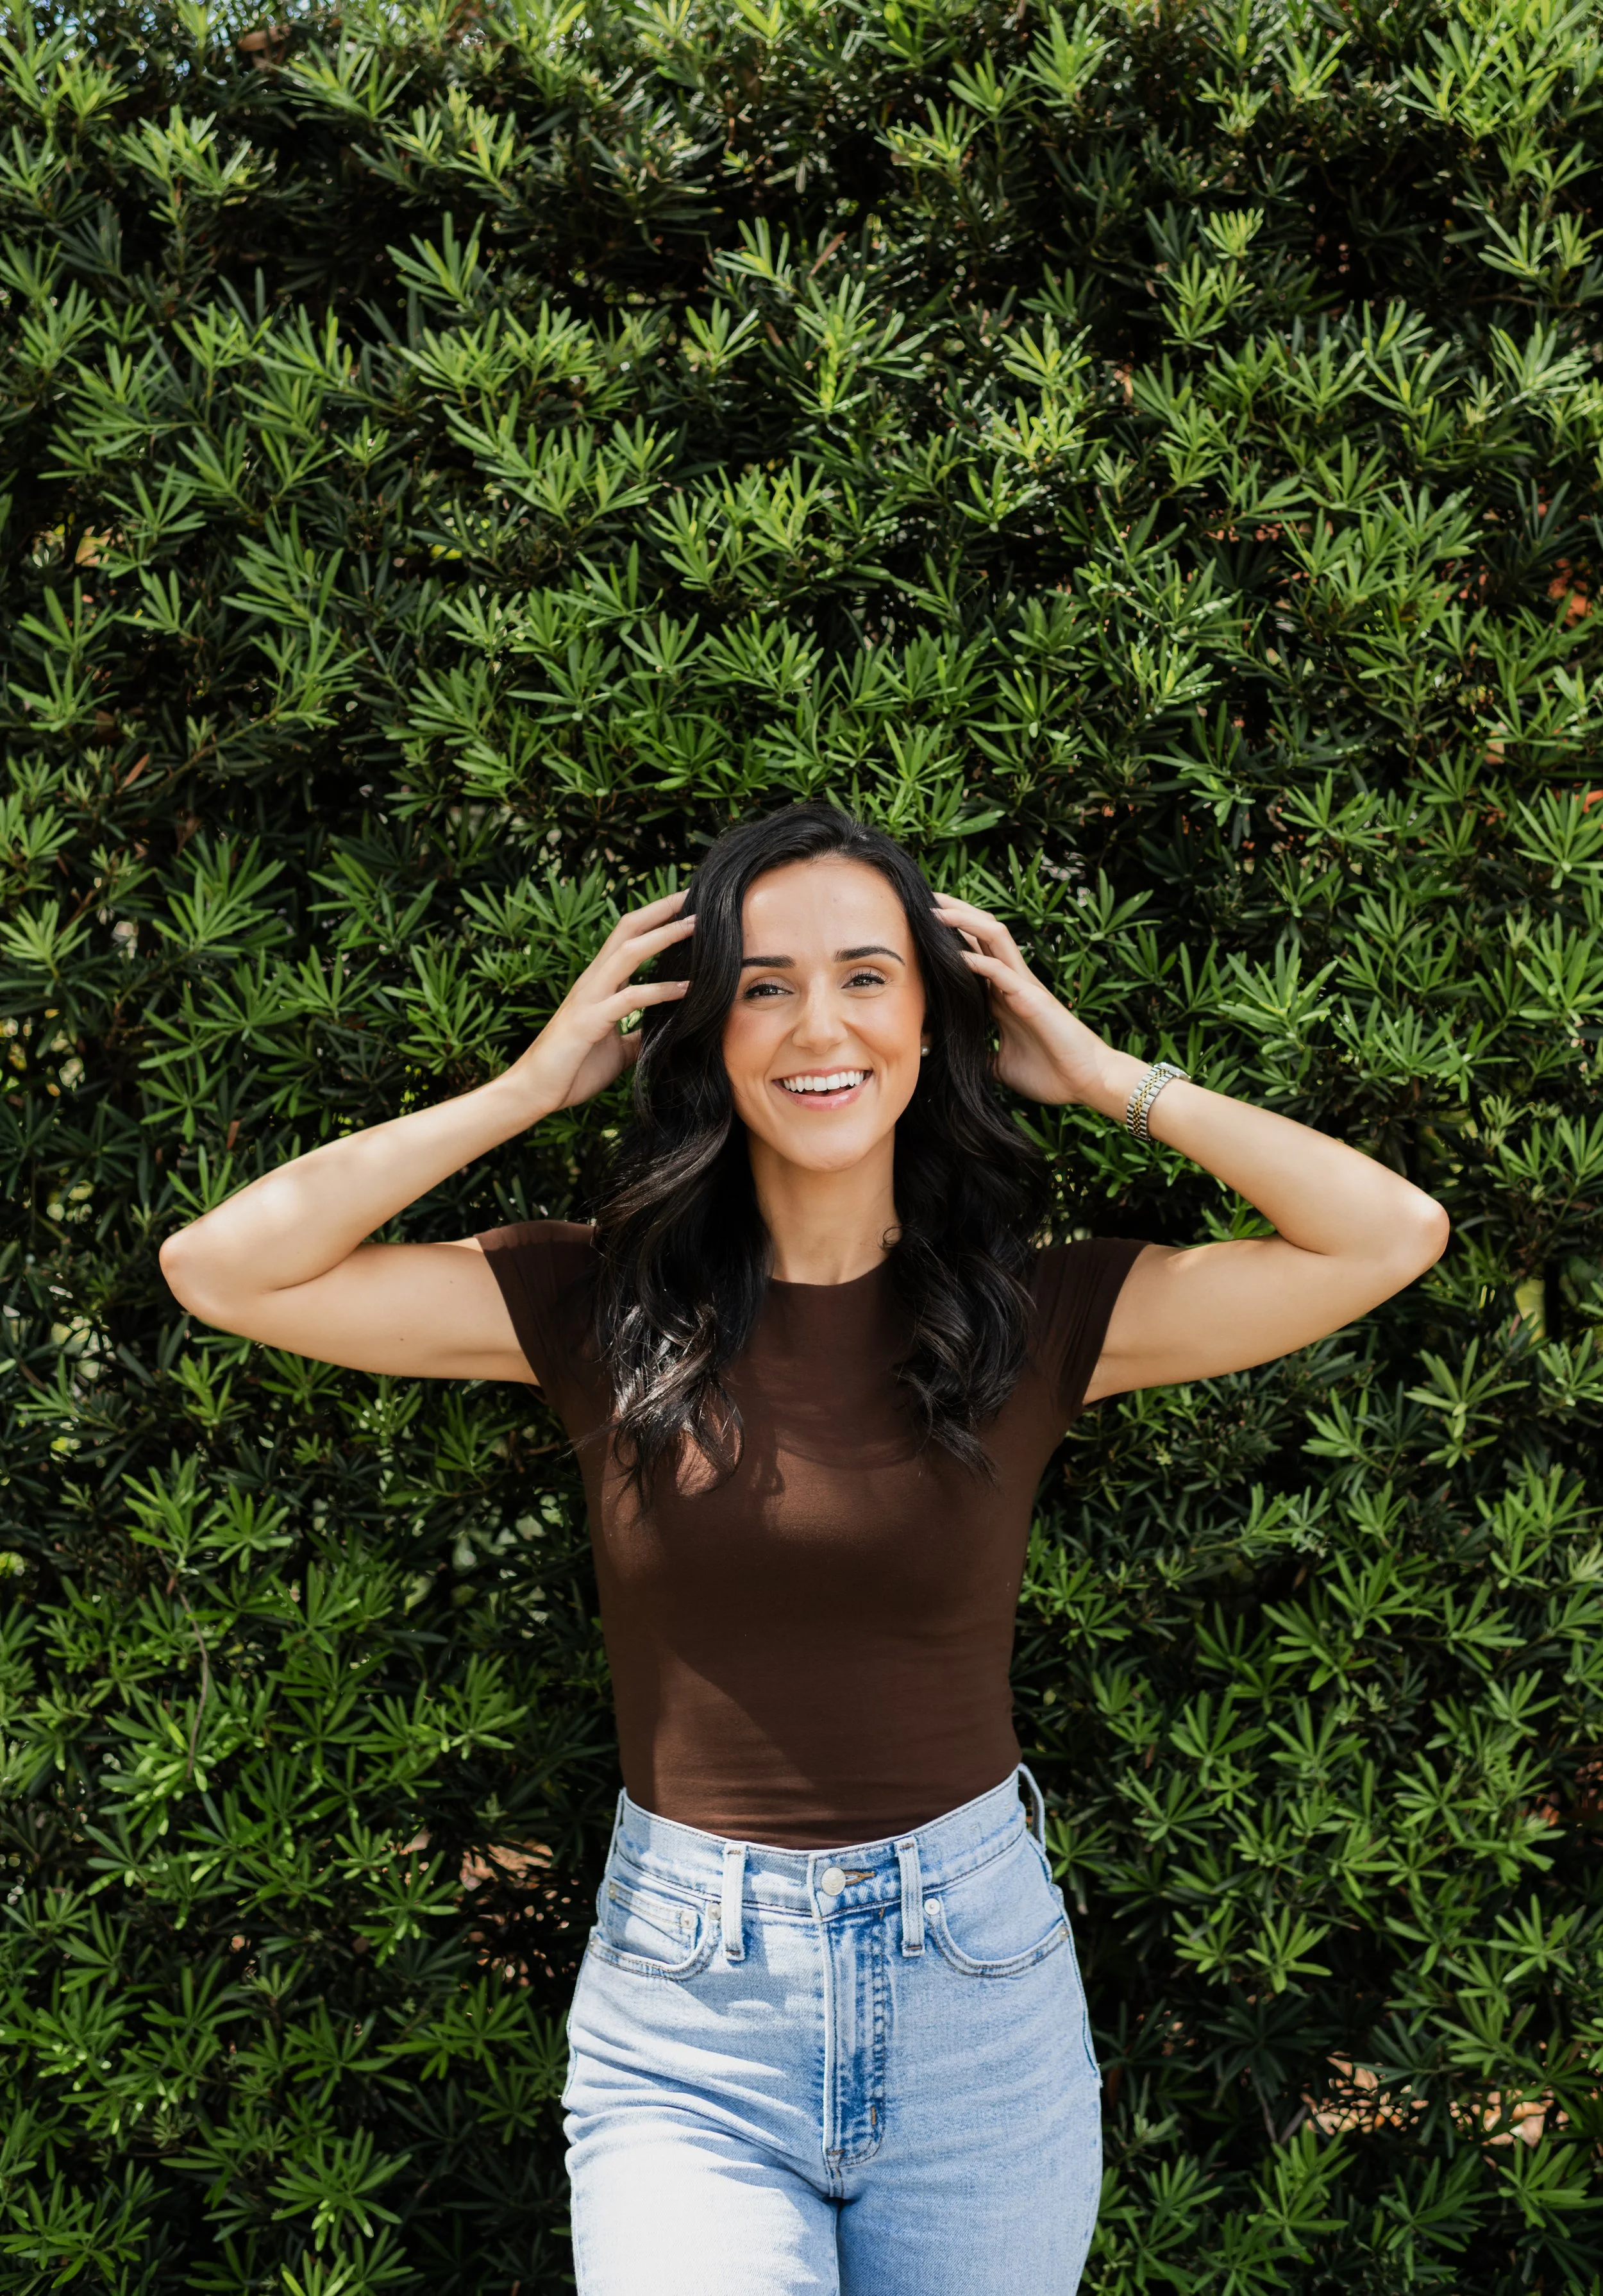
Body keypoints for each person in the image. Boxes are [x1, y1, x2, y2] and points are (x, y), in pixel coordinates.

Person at [160, 800, 1448, 2295]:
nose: (813, 1024)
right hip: (686, 2008)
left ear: (928, 1019)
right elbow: (222, 1265)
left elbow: (1386, 1230)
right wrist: (524, 1089)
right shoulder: (596, 1305)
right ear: (706, 1029)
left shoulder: (1032, 1315)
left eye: (864, 976)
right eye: (761, 984)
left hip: (976, 1992)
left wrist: (1106, 1079)